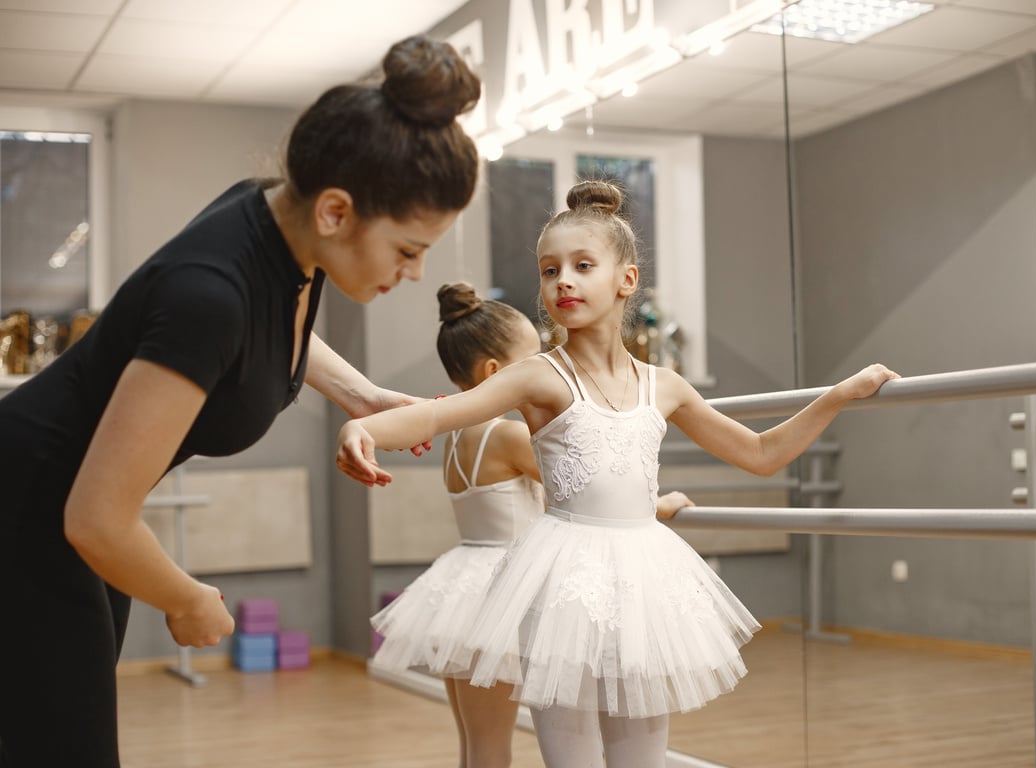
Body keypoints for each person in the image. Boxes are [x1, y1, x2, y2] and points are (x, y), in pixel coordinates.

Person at [0, 35, 480, 768]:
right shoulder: (210, 295)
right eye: (409, 250)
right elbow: (96, 517)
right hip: (28, 514)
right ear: (336, 212)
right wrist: (188, 598)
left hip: (66, 512)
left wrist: (363, 394)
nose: (414, 274)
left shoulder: (279, 231)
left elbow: (270, 325)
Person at [336, 180, 899, 768]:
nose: (563, 282)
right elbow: (437, 412)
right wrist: (366, 428)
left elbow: (760, 453)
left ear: (626, 279)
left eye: (583, 266)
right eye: (550, 271)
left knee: (642, 760)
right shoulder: (539, 377)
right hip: (562, 584)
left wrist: (838, 396)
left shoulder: (666, 387)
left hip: (642, 583)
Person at [369, 282, 695, 768]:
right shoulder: (507, 435)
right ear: (497, 372)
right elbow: (586, 486)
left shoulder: (459, 434)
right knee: (501, 744)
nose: (547, 365)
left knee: (477, 744)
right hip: (506, 589)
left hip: (461, 581)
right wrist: (657, 504)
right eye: (535, 357)